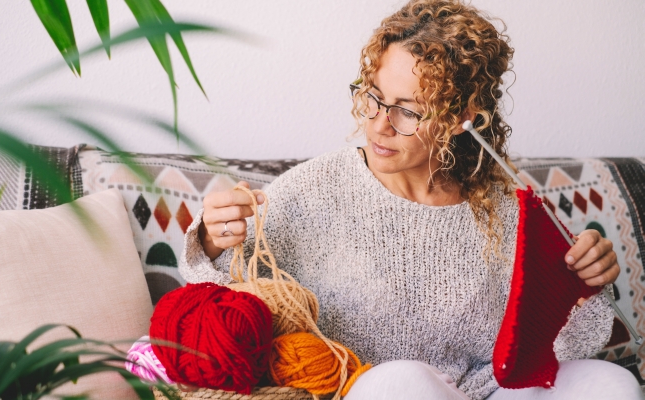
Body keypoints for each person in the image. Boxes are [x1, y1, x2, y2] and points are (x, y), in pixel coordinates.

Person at [179, 0, 643, 399]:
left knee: (611, 383)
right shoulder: (313, 189)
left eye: (408, 111)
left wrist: (581, 287)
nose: (380, 123)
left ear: (462, 118)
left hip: (489, 391)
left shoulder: (505, 205)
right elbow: (218, 296)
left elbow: (554, 349)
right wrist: (214, 239)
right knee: (402, 383)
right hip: (375, 390)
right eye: (374, 98)